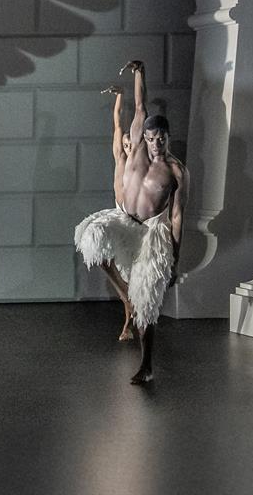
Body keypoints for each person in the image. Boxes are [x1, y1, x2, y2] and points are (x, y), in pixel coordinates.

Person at [73, 61, 186, 384]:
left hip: (153, 231)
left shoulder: (176, 171)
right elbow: (139, 106)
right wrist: (140, 73)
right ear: (144, 138)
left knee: (146, 299)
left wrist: (175, 259)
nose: (156, 144)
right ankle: (125, 292)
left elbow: (177, 215)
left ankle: (146, 363)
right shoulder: (135, 147)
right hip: (125, 220)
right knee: (90, 235)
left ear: (168, 138)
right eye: (151, 138)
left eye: (161, 139)